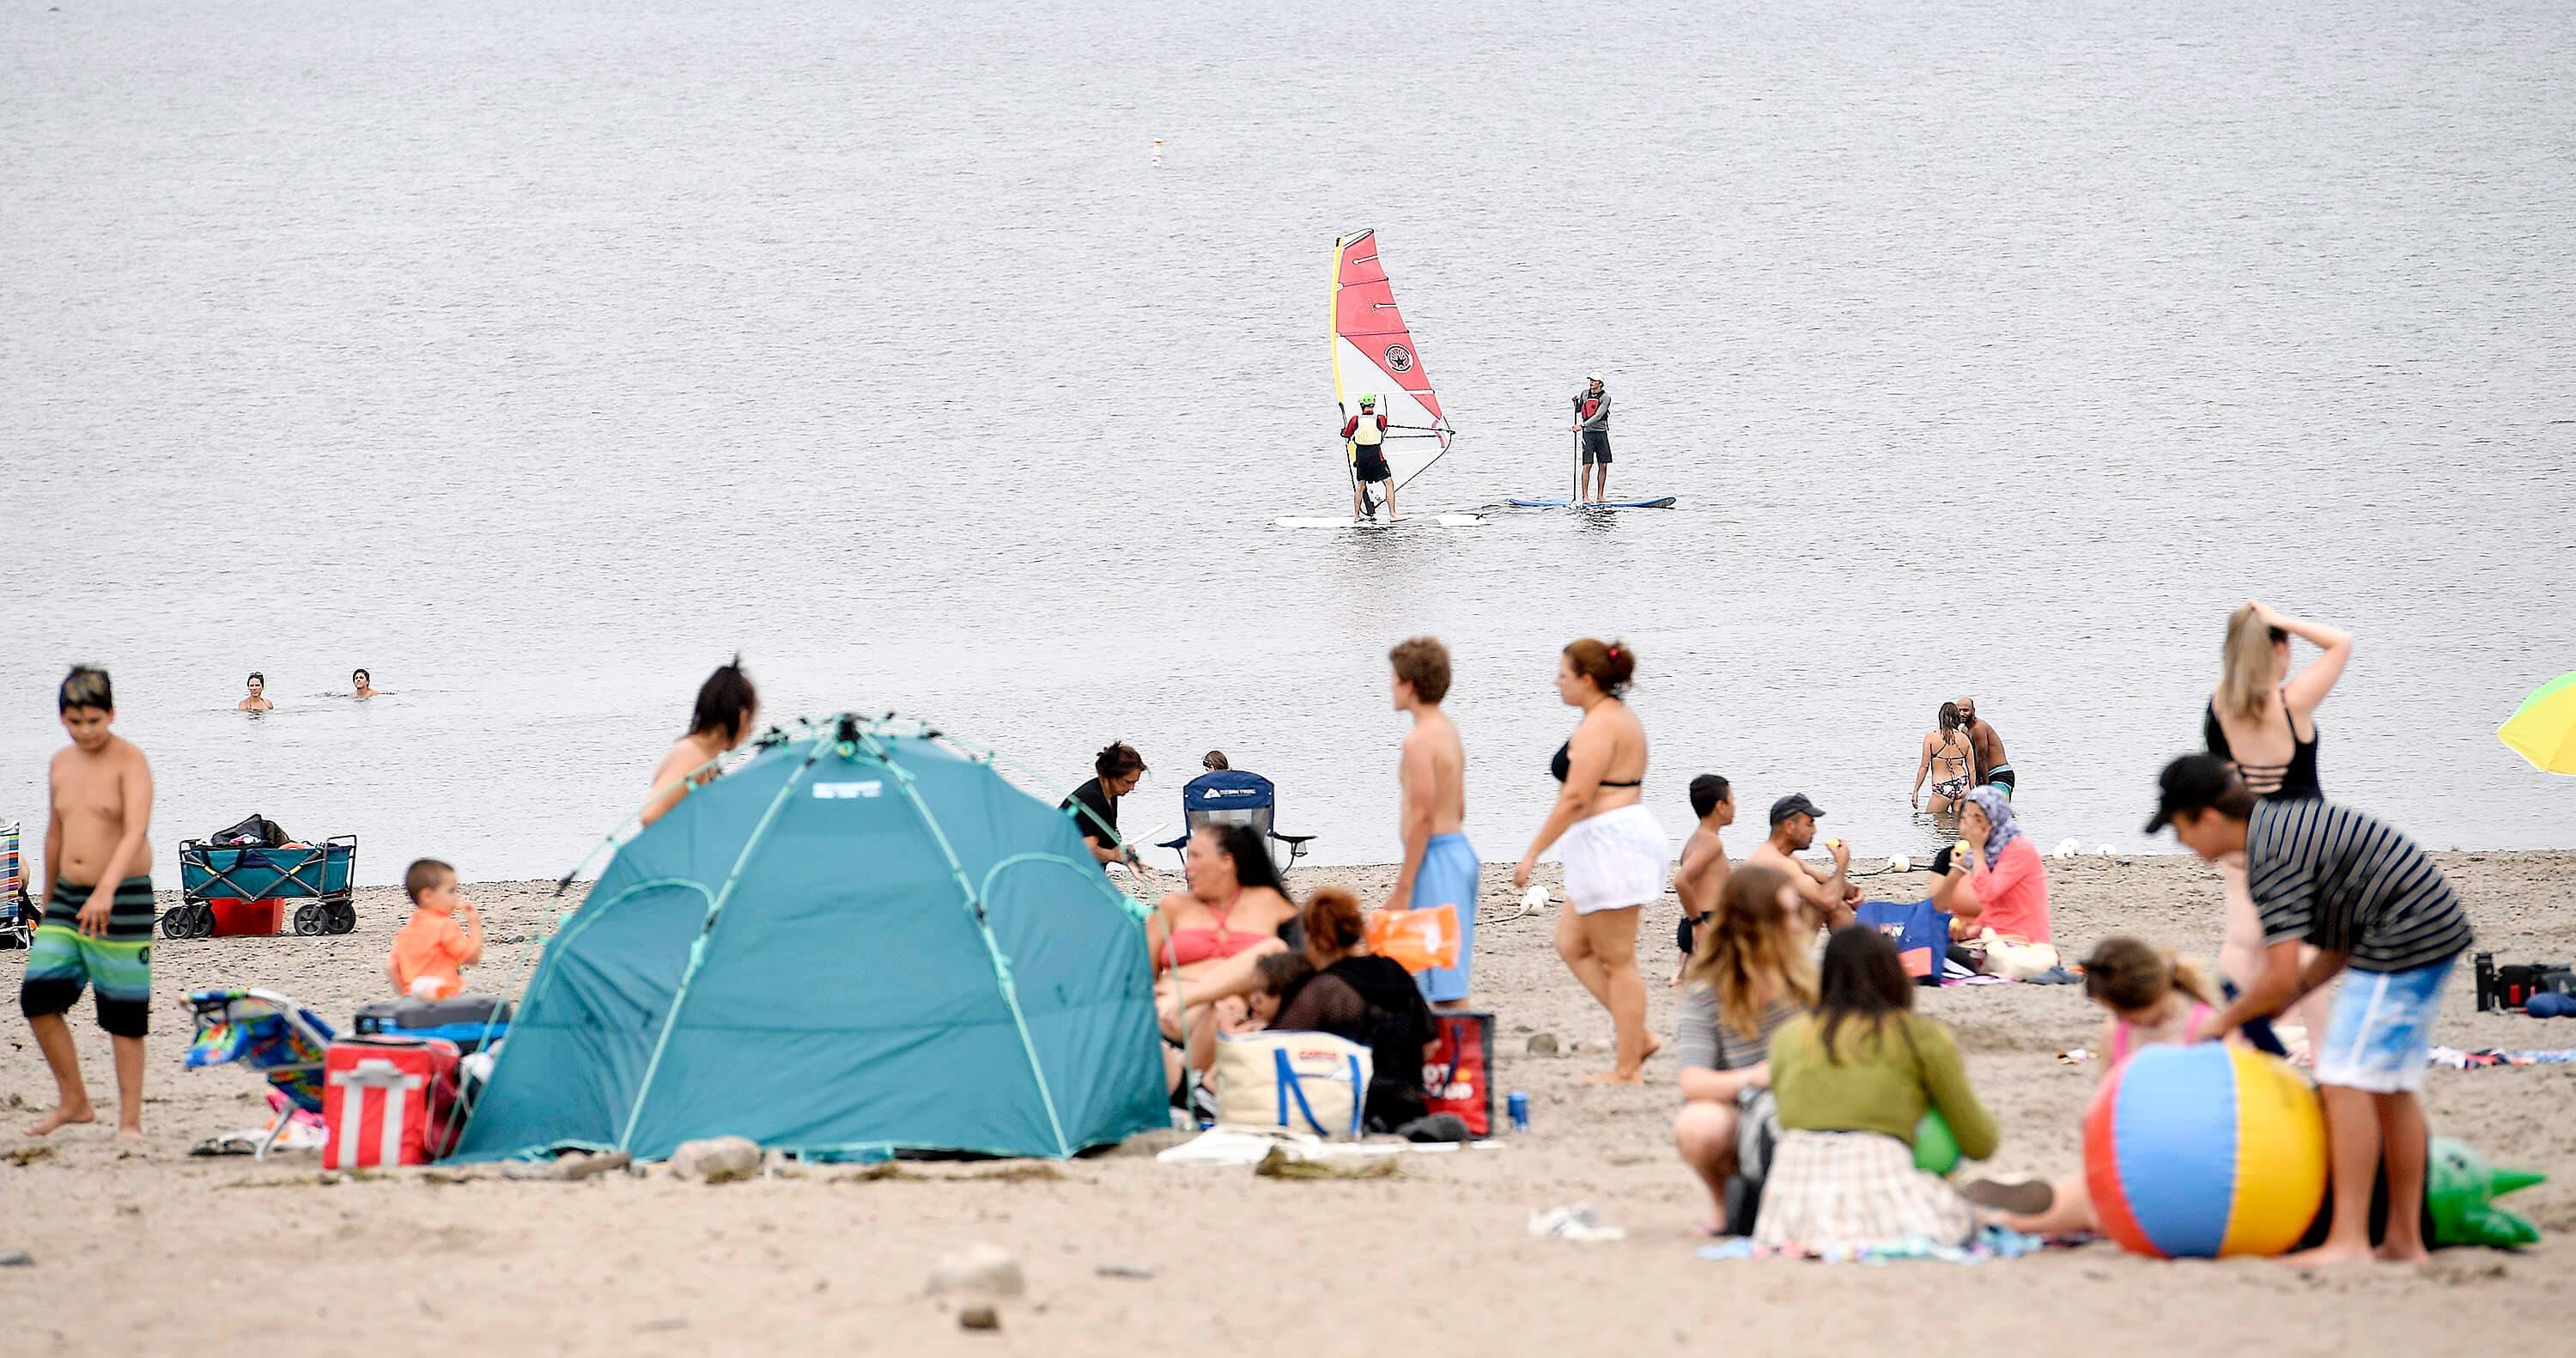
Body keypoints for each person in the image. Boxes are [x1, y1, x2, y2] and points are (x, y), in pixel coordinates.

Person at [2148, 753, 2475, 1266]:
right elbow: (2337, 944)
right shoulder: (2282, 826)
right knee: (2391, 1087)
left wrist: (2222, 1021)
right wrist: (2287, 999)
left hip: (2404, 937)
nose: (2183, 844)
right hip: (2430, 924)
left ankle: (2347, 1242)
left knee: (2343, 1077)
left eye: (2179, 829)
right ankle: (2404, 1241)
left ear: (2207, 817)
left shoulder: (2268, 856)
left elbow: (2278, 975)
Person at [1755, 927, 1999, 1250]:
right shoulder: (1918, 1035)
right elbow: (1980, 1141)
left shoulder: (1789, 1037)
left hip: (1790, 1203)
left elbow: (1787, 1117)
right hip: (1879, 1183)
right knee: (1968, 1215)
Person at [1960, 937, 2221, 1233]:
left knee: (2094, 1211)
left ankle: (2018, 1215)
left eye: (2123, 1011)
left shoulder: (2206, 1027)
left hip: (2191, 1160)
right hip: (2139, 1158)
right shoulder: (2118, 1030)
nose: (2121, 1020)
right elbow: (2107, 1106)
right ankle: (2000, 1216)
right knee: (2079, 1201)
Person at [1514, 638, 1664, 1084]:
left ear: (1587, 679)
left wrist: (1533, 852)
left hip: (1613, 843)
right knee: (1571, 943)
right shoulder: (1603, 718)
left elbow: (1577, 796)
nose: (1556, 682)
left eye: (1563, 674)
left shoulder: (1603, 725)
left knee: (1618, 960)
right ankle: (1640, 1036)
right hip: (1604, 840)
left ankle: (1628, 1066)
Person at [2207, 600, 2351, 1055]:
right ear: (2281, 649)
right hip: (2304, 831)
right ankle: (2323, 1045)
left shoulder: (2221, 702)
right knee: (2307, 944)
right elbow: (2341, 642)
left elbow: (2223, 772)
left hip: (2249, 829)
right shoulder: (2292, 701)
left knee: (2242, 941)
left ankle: (2230, 1035)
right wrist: (2283, 619)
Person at [21, 667, 156, 1142]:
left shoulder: (130, 761)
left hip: (123, 896)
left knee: (123, 1011)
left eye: (94, 720)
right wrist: (47, 893)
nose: (85, 731)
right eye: (75, 722)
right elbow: (55, 829)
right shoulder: (61, 762)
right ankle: (75, 1100)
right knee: (38, 997)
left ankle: (130, 1123)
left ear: (111, 714)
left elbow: (134, 830)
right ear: (63, 718)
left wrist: (105, 889)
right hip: (67, 899)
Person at [1671, 866, 1818, 1235]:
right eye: (1787, 915)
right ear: (1754, 925)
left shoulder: (1817, 978)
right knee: (1698, 1124)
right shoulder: (1707, 993)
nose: (1798, 926)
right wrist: (1755, 1076)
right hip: (1750, 1108)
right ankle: (1724, 1207)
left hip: (1818, 1099)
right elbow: (1693, 1081)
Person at [1264, 885, 1439, 1132]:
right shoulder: (1393, 969)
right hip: (1408, 1103)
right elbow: (1430, 1044)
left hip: (1353, 1105)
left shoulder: (1326, 987)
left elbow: (1276, 1043)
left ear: (1315, 938)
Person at [1149, 824, 1304, 1074]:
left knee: (1269, 954)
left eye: (1196, 856)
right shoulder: (1173, 907)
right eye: (1188, 857)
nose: (1187, 866)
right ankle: (1196, 1085)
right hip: (1174, 1013)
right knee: (1225, 1005)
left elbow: (1308, 957)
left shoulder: (1267, 901)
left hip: (1237, 1009)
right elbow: (1141, 976)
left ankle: (1190, 1085)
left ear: (1226, 861)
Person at [1385, 637, 1478, 1008]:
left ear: (1410, 684)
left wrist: (1404, 886)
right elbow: (1458, 806)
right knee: (1442, 969)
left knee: (1440, 978)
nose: (1390, 687)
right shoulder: (1447, 729)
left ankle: (1457, 1061)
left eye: (1393, 679)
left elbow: (1423, 814)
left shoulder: (1419, 740)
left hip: (1436, 856)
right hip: (1457, 852)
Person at [641, 658, 759, 827]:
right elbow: (650, 815)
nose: (751, 730)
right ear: (743, 717)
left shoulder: (706, 756)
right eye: (752, 721)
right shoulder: (691, 754)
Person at [1930, 786, 2051, 948]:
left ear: (1995, 820)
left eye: (1978, 818)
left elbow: (1987, 893)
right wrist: (1972, 929)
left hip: (2020, 940)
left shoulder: (2018, 850)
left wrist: (1978, 849)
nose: (1971, 824)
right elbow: (1934, 907)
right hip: (1990, 937)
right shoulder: (1967, 855)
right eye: (1967, 816)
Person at [1745, 794, 1860, 933]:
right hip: (1763, 945)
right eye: (1809, 824)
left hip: (1772, 934)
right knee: (1833, 906)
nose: (1814, 830)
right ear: (1789, 826)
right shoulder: (1775, 861)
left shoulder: (1786, 857)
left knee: (1832, 902)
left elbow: (1821, 880)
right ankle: (1856, 954)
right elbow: (1826, 900)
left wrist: (1854, 893)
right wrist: (1842, 865)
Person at [386, 858, 484, 1001]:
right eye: (451, 891)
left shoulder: (406, 932)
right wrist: (474, 923)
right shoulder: (445, 926)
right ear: (427, 896)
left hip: (414, 1001)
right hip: (446, 1000)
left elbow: (392, 968)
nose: (456, 897)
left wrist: (405, 997)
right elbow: (472, 957)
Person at [1671, 774, 1735, 982]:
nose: (1735, 807)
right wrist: (1698, 924)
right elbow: (1681, 880)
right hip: (1707, 922)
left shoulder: (1695, 839)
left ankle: (1683, 966)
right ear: (1720, 806)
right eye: (1732, 801)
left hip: (1691, 924)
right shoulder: (1712, 843)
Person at [1063, 742, 1149, 874]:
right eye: (1128, 782)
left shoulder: (1110, 795)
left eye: (1135, 782)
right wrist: (1115, 855)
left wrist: (1126, 855)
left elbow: (1101, 840)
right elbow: (1087, 850)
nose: (1132, 788)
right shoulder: (1092, 799)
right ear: (1111, 776)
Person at [1908, 702, 1974, 817]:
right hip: (1963, 785)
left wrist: (1916, 790)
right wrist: (1972, 790)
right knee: (1959, 825)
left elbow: (1924, 767)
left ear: (1941, 717)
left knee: (1935, 824)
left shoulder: (1931, 737)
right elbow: (1972, 769)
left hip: (1943, 787)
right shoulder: (1965, 739)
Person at [1342, 394, 1395, 521]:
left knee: (1361, 485)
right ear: (1373, 405)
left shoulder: (1355, 419)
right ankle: (1393, 514)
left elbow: (1346, 434)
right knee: (1388, 482)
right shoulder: (1381, 418)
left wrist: (1343, 431)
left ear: (1362, 406)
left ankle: (1356, 516)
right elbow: (1383, 427)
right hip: (1376, 456)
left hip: (1361, 456)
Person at [1955, 696, 2013, 799]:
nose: (1962, 713)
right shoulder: (1964, 730)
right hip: (1984, 775)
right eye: (1959, 710)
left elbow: (1982, 759)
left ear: (1973, 711)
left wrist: (1984, 787)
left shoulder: (1978, 728)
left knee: (1997, 810)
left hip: (1999, 774)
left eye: (1965, 710)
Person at [1569, 373, 1612, 504]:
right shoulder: (1584, 394)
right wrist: (1575, 402)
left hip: (1601, 433)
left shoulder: (1605, 398)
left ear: (1600, 383)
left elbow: (1598, 416)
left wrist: (1581, 425)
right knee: (1587, 464)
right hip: (1588, 434)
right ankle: (1585, 497)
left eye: (1594, 381)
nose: (1591, 382)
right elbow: (1579, 410)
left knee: (1603, 464)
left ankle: (1600, 496)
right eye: (1591, 380)